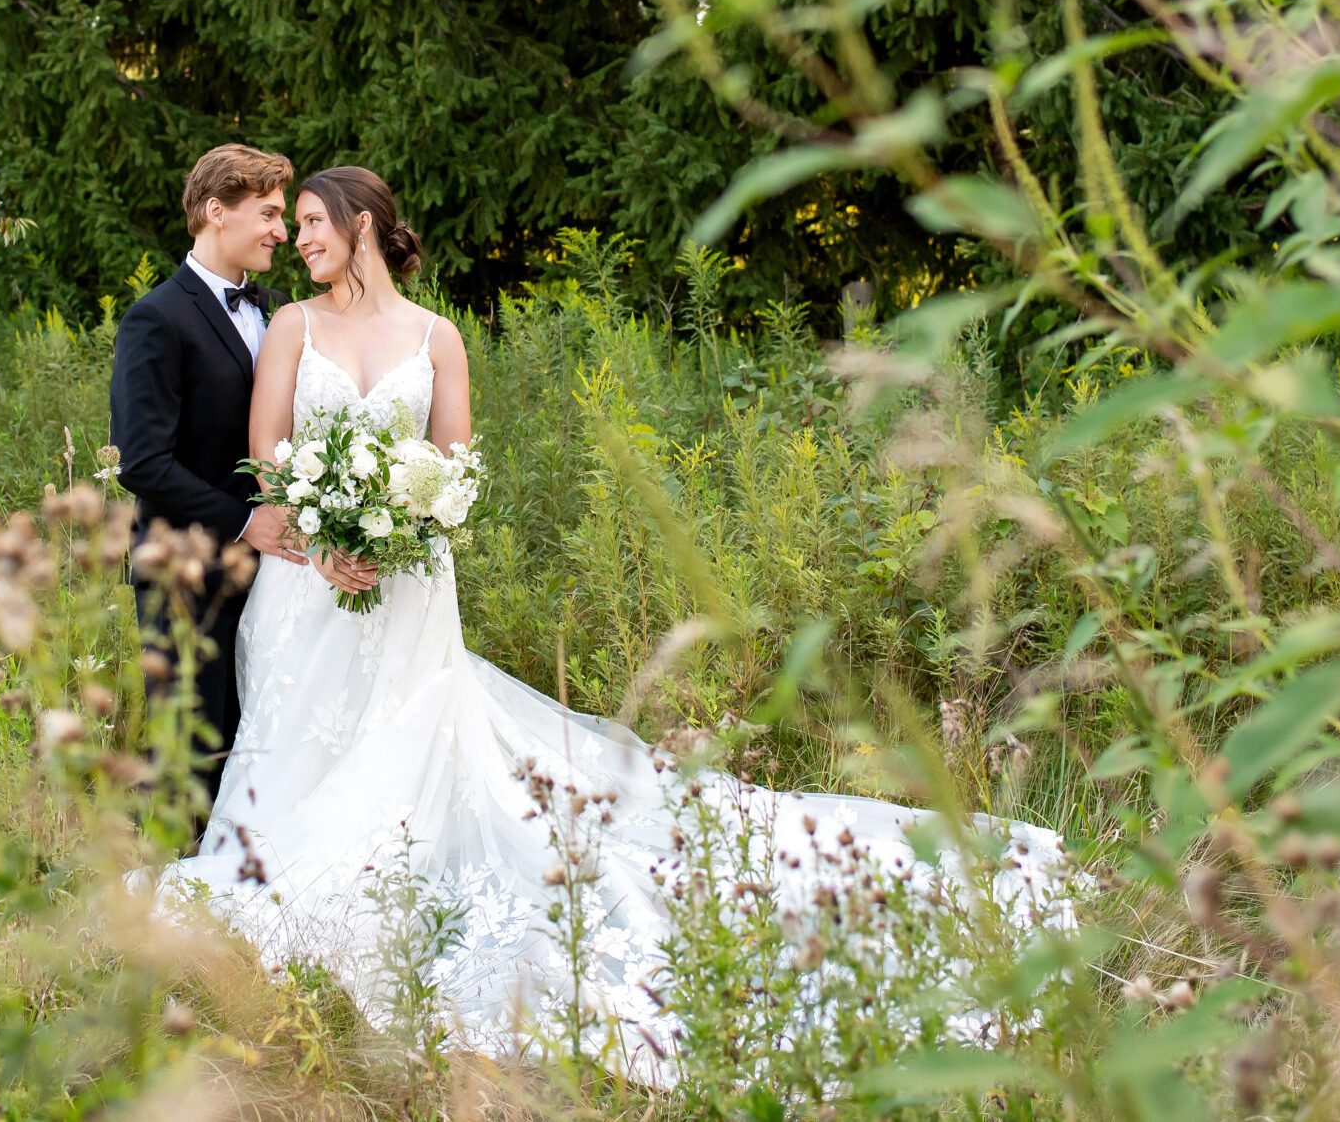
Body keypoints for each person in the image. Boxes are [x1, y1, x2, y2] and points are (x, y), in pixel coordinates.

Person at [158, 166, 1072, 1083]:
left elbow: (454, 467)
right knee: (293, 757)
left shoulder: (437, 338)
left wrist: (401, 529)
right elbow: (268, 454)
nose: (302, 238)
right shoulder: (291, 326)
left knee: (418, 749)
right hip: (303, 587)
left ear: (364, 226)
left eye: (316, 221)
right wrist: (322, 541)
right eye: (296, 223)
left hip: (406, 584)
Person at [109, 144, 298, 819]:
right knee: (192, 754)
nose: (283, 230)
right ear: (217, 211)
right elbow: (143, 461)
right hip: (187, 573)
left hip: (273, 574)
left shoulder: (275, 310)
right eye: (269, 212)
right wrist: (247, 521)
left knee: (259, 739)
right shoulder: (157, 317)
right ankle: (172, 899)